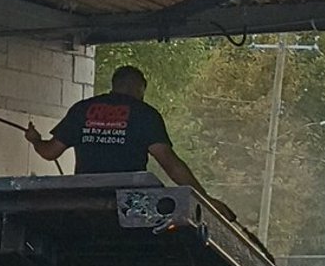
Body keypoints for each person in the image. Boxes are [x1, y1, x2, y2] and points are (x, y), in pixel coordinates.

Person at [24, 64, 235, 217]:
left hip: (86, 202)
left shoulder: (82, 109)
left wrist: (35, 140)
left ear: (115, 85)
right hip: (130, 205)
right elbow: (170, 164)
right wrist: (206, 200)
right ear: (139, 88)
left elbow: (50, 152)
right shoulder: (145, 114)